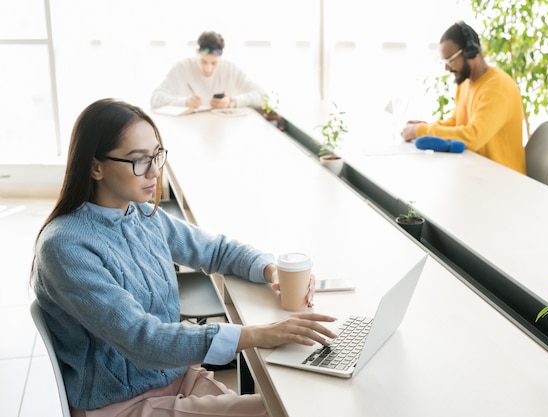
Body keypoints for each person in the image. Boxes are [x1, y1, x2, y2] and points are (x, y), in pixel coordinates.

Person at [31, 98, 336, 417]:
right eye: (138, 160)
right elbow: (142, 339)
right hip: (121, 404)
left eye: (157, 156)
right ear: (95, 166)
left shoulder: (142, 216)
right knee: (285, 410)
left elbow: (216, 250)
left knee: (295, 402)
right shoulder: (65, 246)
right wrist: (260, 334)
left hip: (173, 377)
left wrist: (271, 270)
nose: (153, 171)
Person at [401, 21, 526, 174]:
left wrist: (421, 130)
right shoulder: (465, 84)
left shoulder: (497, 86)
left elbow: (472, 137)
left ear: (470, 52)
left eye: (450, 60)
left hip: (504, 180)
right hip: (477, 172)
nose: (446, 68)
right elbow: (456, 122)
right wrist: (424, 126)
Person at [150, 31, 265, 110]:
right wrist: (184, 102)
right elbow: (155, 98)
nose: (208, 69)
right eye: (204, 62)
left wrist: (231, 102)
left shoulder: (231, 69)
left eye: (214, 63)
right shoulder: (182, 67)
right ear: (197, 53)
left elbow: (261, 96)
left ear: (220, 58)